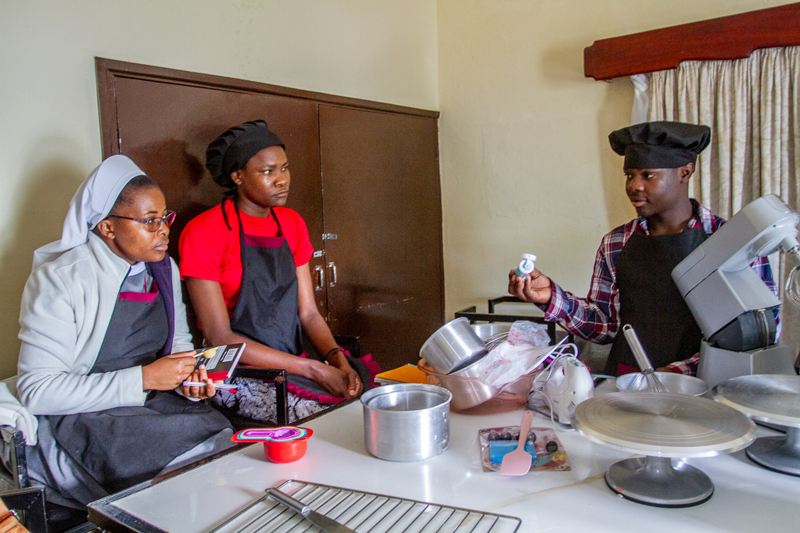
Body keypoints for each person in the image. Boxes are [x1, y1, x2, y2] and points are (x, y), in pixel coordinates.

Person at [15, 155, 234, 516]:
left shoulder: (163, 267)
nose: (163, 230)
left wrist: (188, 379)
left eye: (165, 218)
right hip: (87, 415)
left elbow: (179, 347)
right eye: (149, 222)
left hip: (153, 403)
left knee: (220, 439)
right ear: (106, 228)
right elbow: (38, 392)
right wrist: (147, 377)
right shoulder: (61, 279)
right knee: (176, 470)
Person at [508, 121, 777, 376]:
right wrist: (551, 298)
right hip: (631, 385)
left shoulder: (732, 241)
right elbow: (606, 326)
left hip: (705, 388)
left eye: (648, 175)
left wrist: (678, 372)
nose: (634, 186)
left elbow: (760, 331)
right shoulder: (615, 244)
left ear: (685, 172)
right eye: (629, 175)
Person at [179, 120, 376, 424]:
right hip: (233, 371)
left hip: (292, 363)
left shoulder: (291, 223)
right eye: (268, 171)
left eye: (285, 168)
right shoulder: (205, 231)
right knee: (329, 420)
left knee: (366, 398)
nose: (282, 180)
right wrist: (315, 369)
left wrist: (336, 359)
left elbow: (308, 312)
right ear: (238, 176)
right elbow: (220, 337)